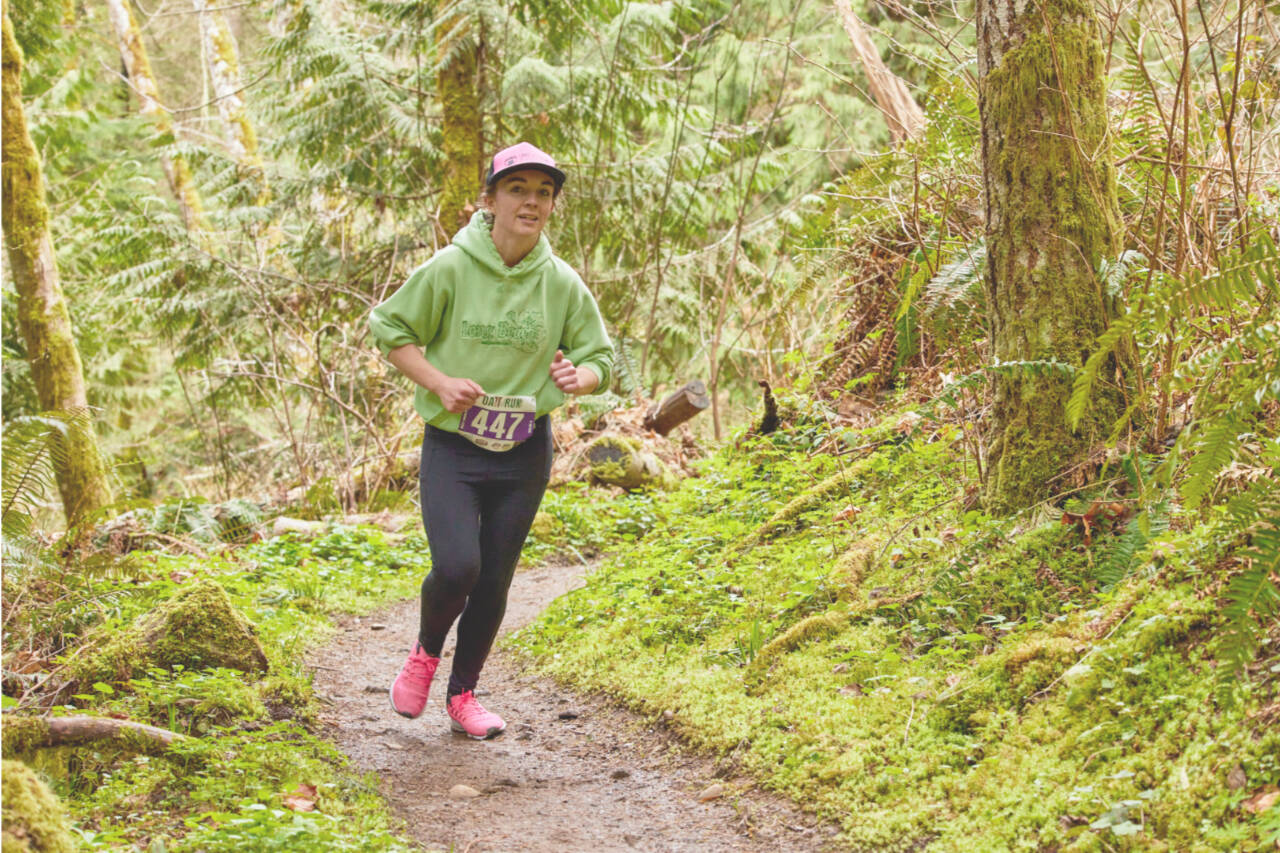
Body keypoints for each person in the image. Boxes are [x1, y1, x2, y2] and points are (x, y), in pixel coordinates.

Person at [368, 142, 613, 739]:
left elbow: (600, 359)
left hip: (525, 450)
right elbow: (389, 328)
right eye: (517, 188)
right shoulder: (450, 267)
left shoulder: (561, 282)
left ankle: (464, 695)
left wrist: (574, 378)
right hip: (454, 446)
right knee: (458, 566)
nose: (531, 201)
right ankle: (425, 655)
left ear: (552, 205)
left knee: (496, 577)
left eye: (543, 192)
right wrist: (439, 381)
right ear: (490, 198)